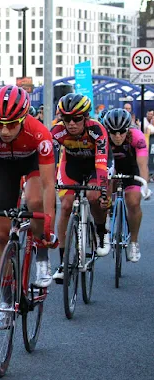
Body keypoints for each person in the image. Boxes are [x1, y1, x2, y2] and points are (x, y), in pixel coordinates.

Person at [0, 85, 57, 288]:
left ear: (23, 118)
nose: (5, 130)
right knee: (0, 235)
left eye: (12, 124)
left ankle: (42, 257)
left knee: (34, 200)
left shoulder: (39, 133)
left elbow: (49, 184)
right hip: (3, 165)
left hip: (32, 162)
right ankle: (6, 293)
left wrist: (48, 223)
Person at [51, 93, 111, 281]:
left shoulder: (97, 130)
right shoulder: (57, 131)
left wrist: (102, 190)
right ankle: (62, 263)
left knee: (94, 198)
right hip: (72, 166)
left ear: (86, 118)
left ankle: (101, 232)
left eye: (76, 119)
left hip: (94, 166)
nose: (71, 124)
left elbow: (101, 165)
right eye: (66, 119)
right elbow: (50, 162)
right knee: (66, 205)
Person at [103, 108, 150, 262]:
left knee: (133, 201)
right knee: (104, 194)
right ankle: (106, 222)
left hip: (132, 168)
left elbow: (143, 166)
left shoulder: (137, 136)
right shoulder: (102, 137)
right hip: (111, 166)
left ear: (127, 129)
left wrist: (144, 186)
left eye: (121, 132)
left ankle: (133, 242)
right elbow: (101, 166)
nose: (117, 136)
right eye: (113, 132)